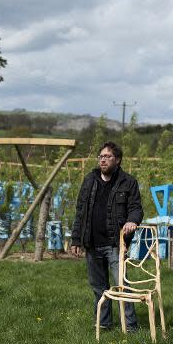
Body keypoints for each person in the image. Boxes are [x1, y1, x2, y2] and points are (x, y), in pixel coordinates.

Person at [71, 141, 143, 331]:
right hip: (92, 244)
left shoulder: (128, 182)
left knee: (122, 286)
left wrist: (132, 220)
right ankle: (103, 324)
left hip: (115, 245)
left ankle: (131, 327)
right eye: (101, 156)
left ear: (117, 160)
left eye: (108, 156)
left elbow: (135, 208)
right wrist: (76, 239)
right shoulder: (89, 180)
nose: (103, 159)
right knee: (98, 288)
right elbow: (80, 211)